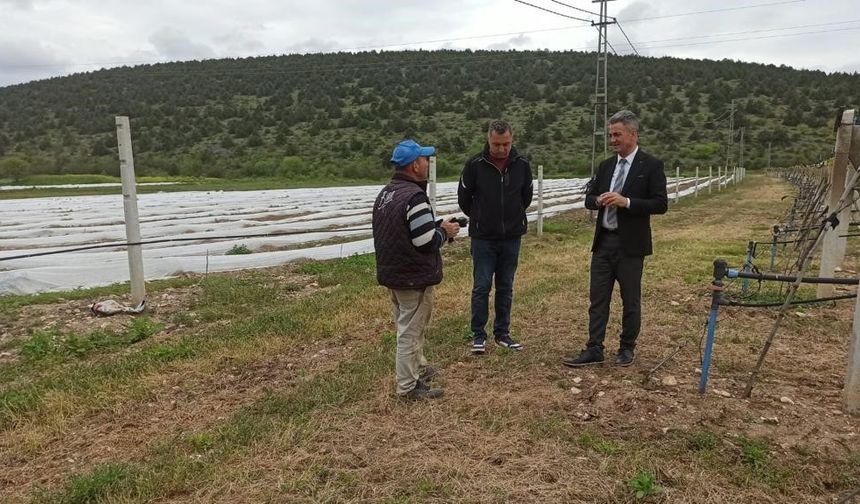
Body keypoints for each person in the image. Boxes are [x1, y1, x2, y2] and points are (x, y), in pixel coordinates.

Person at [563, 110, 668, 368]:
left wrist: (627, 202)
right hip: (604, 243)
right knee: (598, 298)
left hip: (631, 246)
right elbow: (589, 198)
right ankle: (594, 348)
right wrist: (598, 200)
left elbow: (660, 204)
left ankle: (626, 348)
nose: (612, 140)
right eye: (610, 135)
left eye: (617, 134)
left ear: (633, 134)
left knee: (630, 299)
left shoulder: (651, 165)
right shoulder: (606, 166)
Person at [373, 139, 460, 400]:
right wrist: (444, 232)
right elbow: (424, 241)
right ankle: (407, 386)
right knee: (410, 331)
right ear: (414, 165)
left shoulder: (386, 194)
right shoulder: (415, 196)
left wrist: (434, 225)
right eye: (424, 159)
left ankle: (416, 369)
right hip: (413, 276)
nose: (427, 163)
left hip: (394, 273)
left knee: (407, 326)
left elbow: (404, 231)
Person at [458, 120, 533, 354]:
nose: (501, 149)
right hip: (483, 238)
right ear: (488, 140)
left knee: (505, 286)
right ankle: (478, 334)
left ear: (512, 140)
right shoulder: (474, 165)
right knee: (481, 286)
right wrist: (481, 218)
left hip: (511, 237)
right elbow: (464, 199)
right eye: (496, 144)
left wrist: (512, 218)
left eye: (506, 144)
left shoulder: (522, 165)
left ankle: (502, 333)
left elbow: (526, 197)